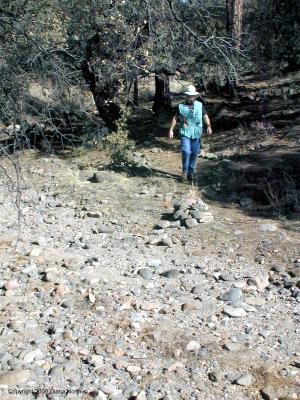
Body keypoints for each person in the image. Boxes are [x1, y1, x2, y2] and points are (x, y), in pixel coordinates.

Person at [168, 85, 212, 181]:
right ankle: (185, 171)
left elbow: (205, 116)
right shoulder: (180, 106)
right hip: (185, 133)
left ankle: (191, 172)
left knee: (194, 152)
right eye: (188, 95)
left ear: (195, 96)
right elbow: (175, 118)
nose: (190, 97)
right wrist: (171, 129)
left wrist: (208, 126)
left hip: (196, 133)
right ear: (186, 96)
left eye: (192, 96)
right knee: (186, 151)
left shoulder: (200, 105)